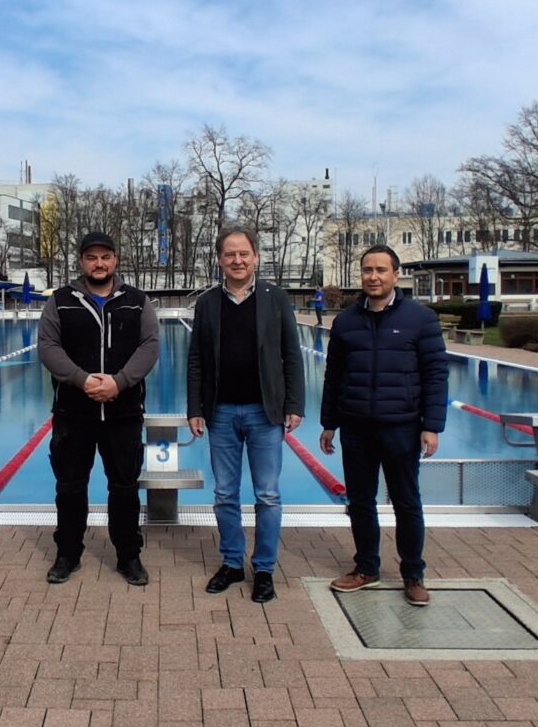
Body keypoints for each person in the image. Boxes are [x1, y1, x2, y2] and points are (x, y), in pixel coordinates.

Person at [318, 245, 449, 606]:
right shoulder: (346, 321)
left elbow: (436, 374)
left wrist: (431, 425)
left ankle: (413, 573)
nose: (373, 277)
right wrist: (329, 422)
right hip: (356, 427)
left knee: (407, 502)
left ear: (395, 274)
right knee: (360, 502)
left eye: (380, 270)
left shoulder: (419, 319)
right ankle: (366, 568)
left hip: (402, 427)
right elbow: (333, 376)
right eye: (367, 270)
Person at [186, 227, 305, 604]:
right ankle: (233, 563)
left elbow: (292, 353)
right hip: (220, 411)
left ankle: (265, 568)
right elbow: (196, 360)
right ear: (220, 259)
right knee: (224, 493)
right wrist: (195, 408)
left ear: (255, 257)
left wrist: (295, 404)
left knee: (267, 494)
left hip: (264, 411)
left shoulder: (275, 298)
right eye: (230, 254)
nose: (237, 260)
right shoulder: (207, 303)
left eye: (244, 254)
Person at [39, 231, 161, 586]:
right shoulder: (61, 300)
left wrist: (118, 382)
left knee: (124, 487)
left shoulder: (137, 301)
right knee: (70, 487)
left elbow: (149, 346)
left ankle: (128, 555)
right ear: (81, 262)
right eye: (91, 257)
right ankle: (67, 554)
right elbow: (48, 347)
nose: (99, 263)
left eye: (105, 257)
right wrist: (82, 379)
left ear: (115, 260)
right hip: (73, 413)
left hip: (123, 414)